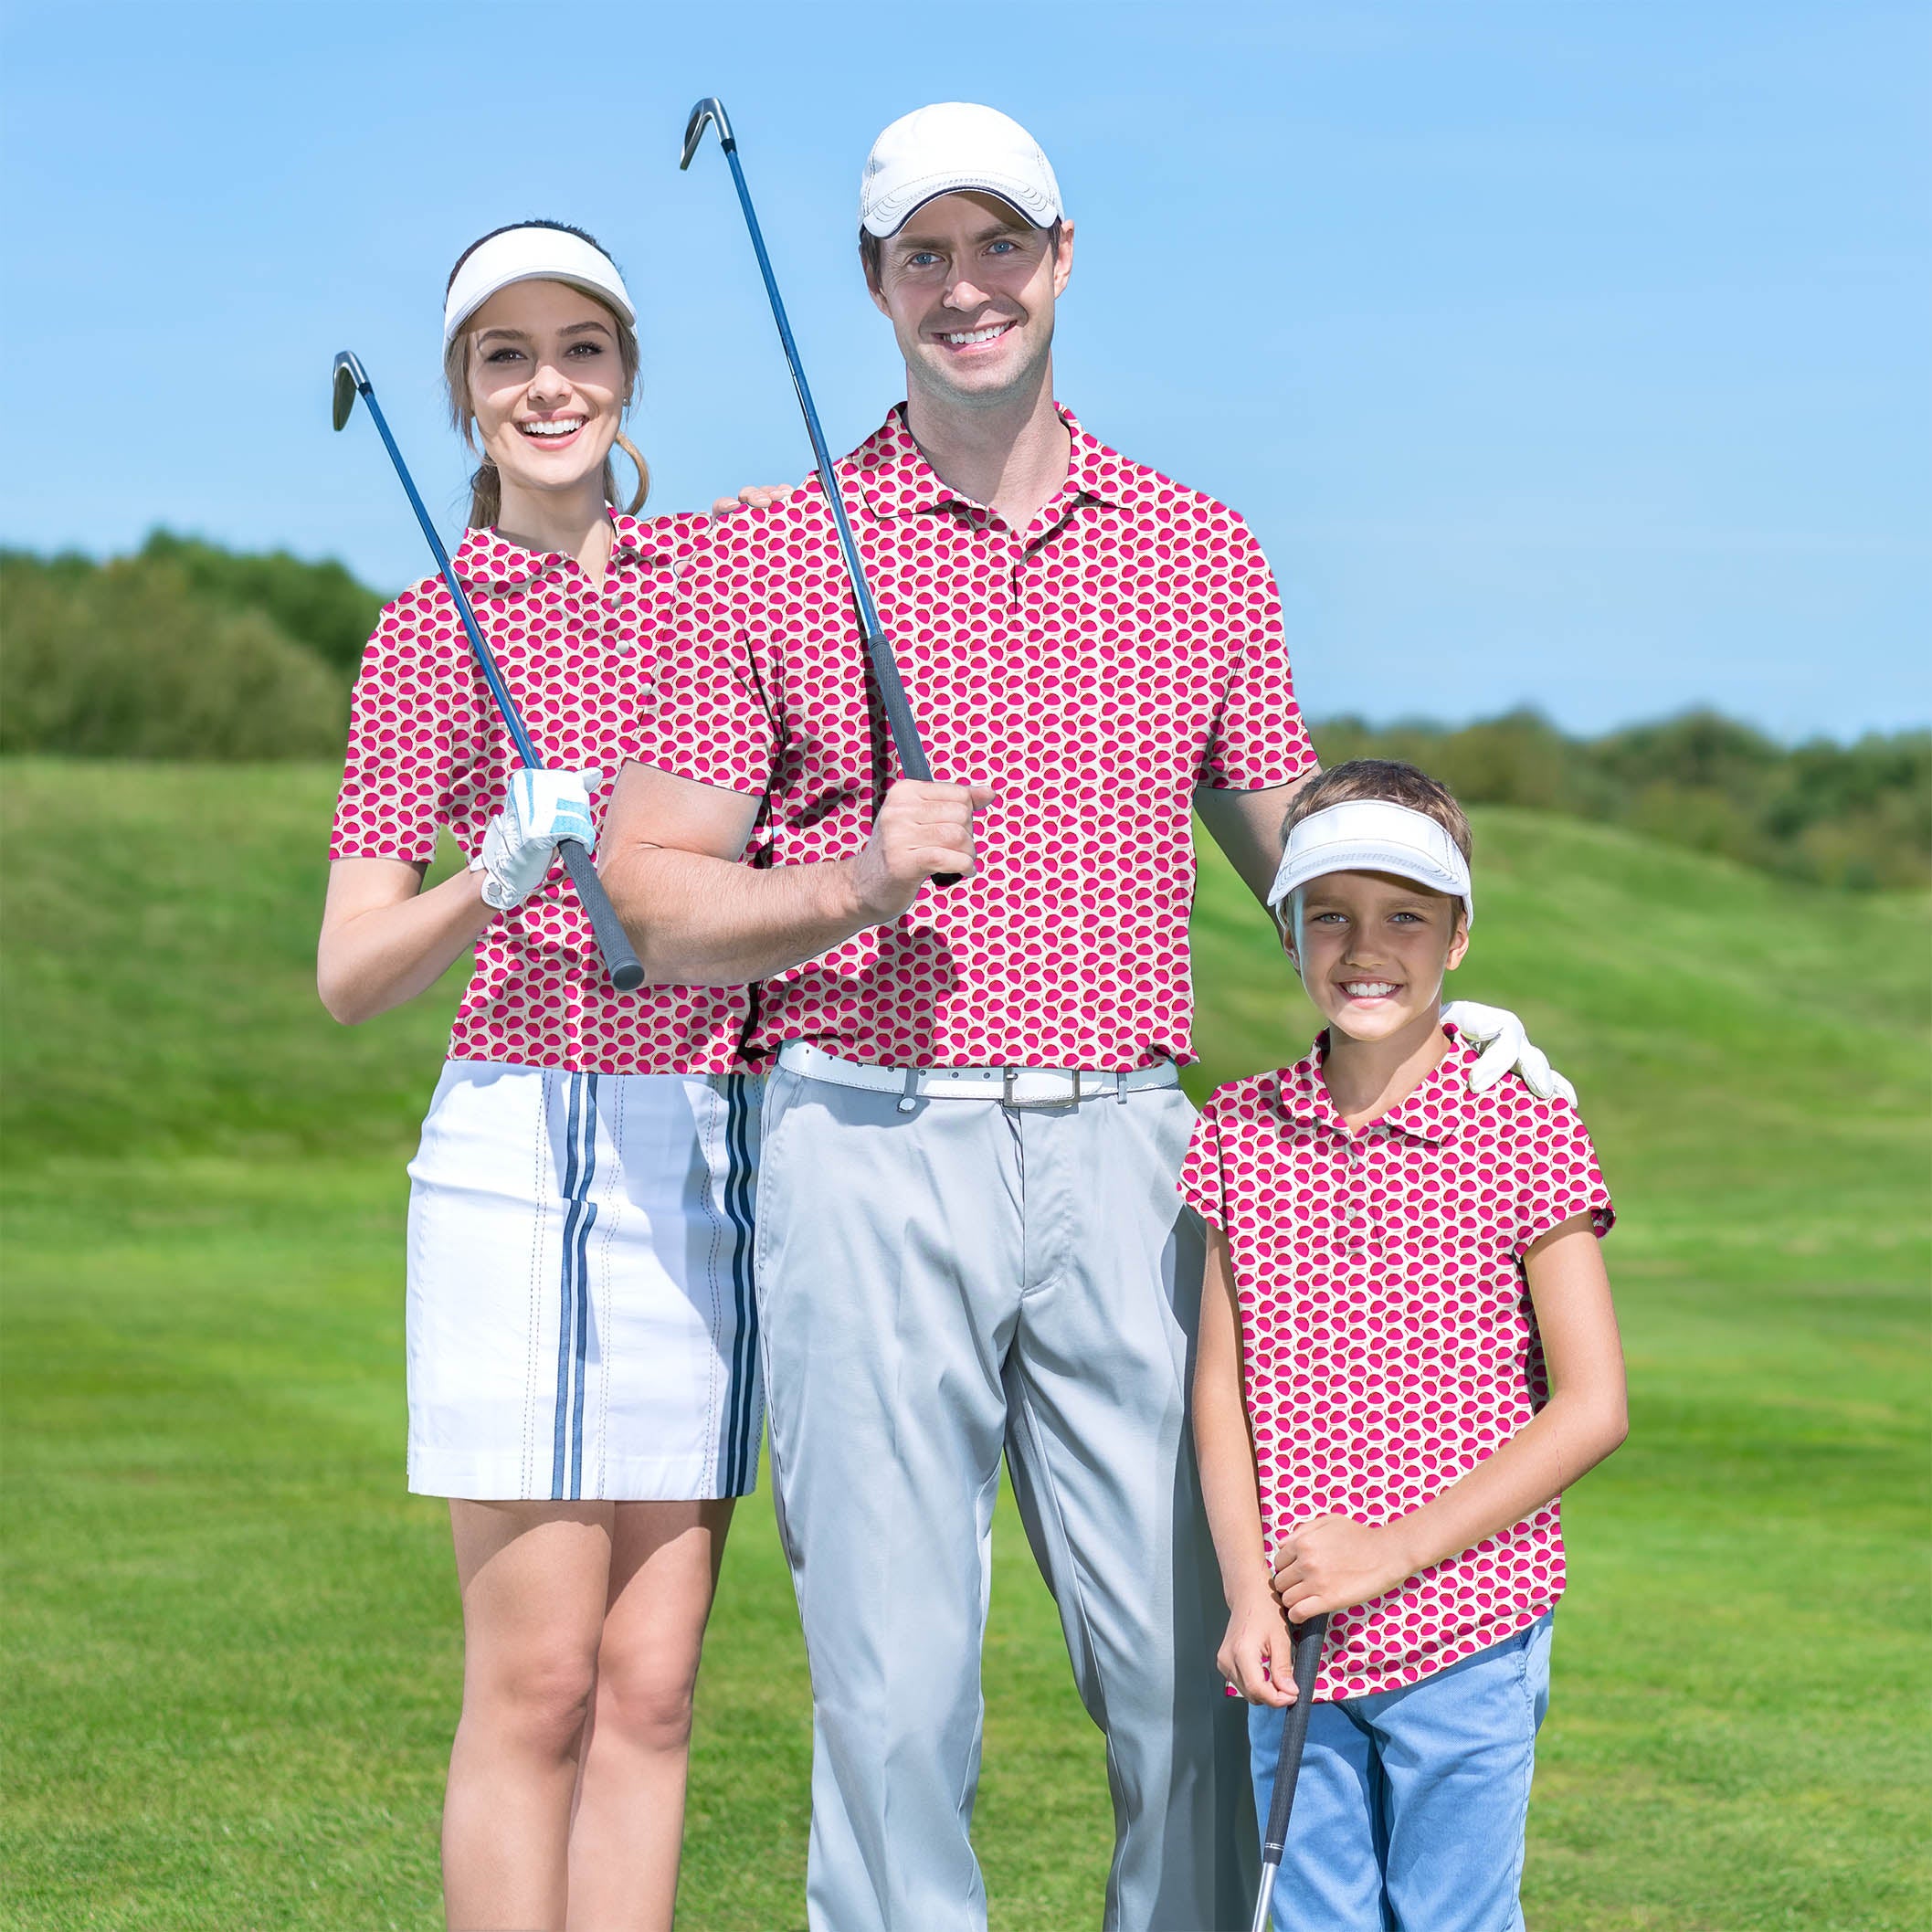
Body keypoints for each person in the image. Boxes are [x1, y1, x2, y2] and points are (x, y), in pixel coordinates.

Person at [600, 105, 1562, 1932]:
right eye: (924, 255)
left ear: (1061, 258)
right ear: (875, 284)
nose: (966, 288)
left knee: (1197, 1674)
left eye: (999, 245)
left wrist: (1442, 984)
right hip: (862, 1137)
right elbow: (647, 890)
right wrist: (847, 883)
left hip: (1131, 1154)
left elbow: (1296, 855)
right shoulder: (773, 554)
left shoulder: (1202, 551)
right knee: (896, 1700)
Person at [319, 221, 776, 1932]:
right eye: (504, 356)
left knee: (652, 1686)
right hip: (517, 1149)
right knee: (539, 1682)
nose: (548, 384)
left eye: (579, 347)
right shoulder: (421, 634)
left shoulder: (717, 593)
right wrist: (484, 879)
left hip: (699, 1149)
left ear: (627, 371)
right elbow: (351, 972)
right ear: (463, 393)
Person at [1186, 759, 1629, 1931]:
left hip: (1470, 1622)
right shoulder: (1236, 1128)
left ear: (1459, 937)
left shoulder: (1526, 1124)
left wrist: (1390, 1554)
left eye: (1405, 918)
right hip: (1295, 1633)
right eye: (1330, 914)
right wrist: (1246, 1596)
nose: (1364, 947)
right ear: (1287, 928)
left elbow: (1593, 1405)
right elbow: (1219, 1393)